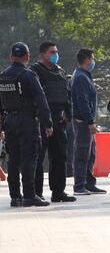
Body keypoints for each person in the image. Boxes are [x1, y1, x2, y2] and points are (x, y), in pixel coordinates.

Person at [0, 42, 53, 207]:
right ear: (27, 57)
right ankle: (30, 195)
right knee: (29, 158)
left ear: (11, 57)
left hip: (10, 121)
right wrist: (48, 123)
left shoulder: (3, 76)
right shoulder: (28, 75)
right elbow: (41, 99)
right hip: (27, 121)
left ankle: (15, 196)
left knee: (13, 159)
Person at [30, 42, 76, 203]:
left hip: (59, 119)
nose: (55, 55)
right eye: (52, 52)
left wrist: (68, 115)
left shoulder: (61, 72)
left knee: (59, 157)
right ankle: (36, 193)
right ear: (42, 54)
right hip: (41, 120)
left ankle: (58, 192)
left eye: (56, 51)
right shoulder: (34, 71)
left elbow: (67, 96)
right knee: (39, 157)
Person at [71, 49, 106, 195]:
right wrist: (90, 122)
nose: (93, 61)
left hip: (87, 120)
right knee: (82, 153)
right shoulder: (80, 77)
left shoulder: (85, 76)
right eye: (92, 58)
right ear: (86, 59)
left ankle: (89, 183)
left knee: (90, 154)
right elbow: (83, 102)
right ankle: (79, 186)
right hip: (83, 121)